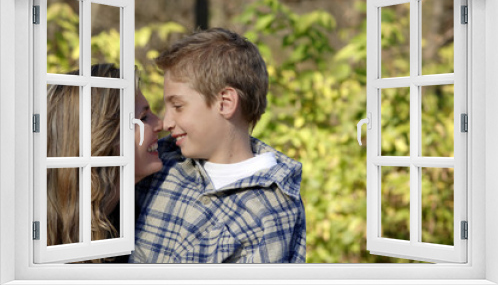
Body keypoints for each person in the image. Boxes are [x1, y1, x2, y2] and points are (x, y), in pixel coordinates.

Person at [130, 28, 306, 263]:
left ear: (225, 102)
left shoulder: (273, 208)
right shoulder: (161, 163)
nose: (166, 122)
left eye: (178, 106)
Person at [46, 63, 162, 262]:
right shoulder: (44, 247)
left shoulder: (137, 212)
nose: (161, 124)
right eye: (143, 117)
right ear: (105, 137)